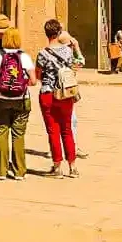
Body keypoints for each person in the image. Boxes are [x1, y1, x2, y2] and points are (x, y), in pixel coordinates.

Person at [0, 27, 36, 180]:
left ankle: (1, 170)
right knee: (18, 135)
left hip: (0, 98)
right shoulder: (24, 57)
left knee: (1, 131)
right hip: (20, 99)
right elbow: (34, 81)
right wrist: (21, 83)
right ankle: (19, 171)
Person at [36, 18, 78, 178]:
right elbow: (73, 67)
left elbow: (39, 74)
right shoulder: (68, 51)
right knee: (67, 129)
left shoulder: (42, 53)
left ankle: (57, 166)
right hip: (65, 93)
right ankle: (73, 166)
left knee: (53, 131)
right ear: (59, 32)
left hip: (48, 93)